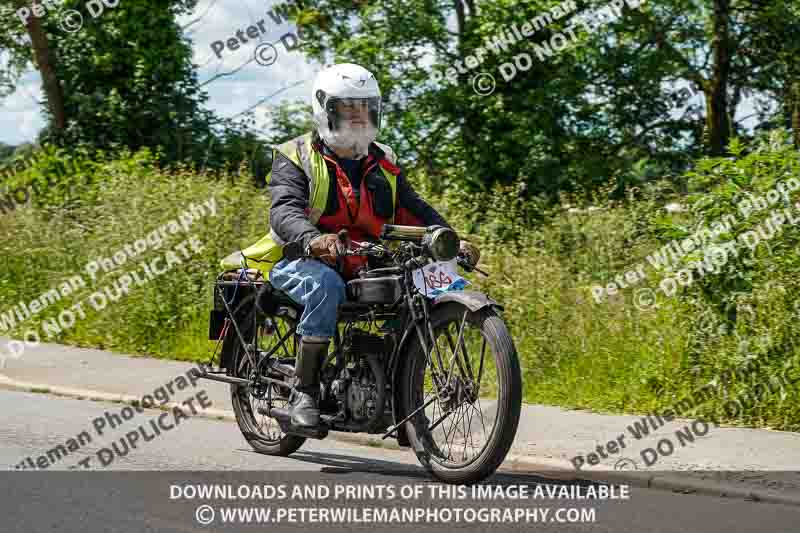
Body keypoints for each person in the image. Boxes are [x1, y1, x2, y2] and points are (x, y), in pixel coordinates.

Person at [267, 63, 481, 429]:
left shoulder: (383, 159)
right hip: (300, 258)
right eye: (348, 108)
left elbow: (413, 208)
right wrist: (313, 239)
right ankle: (305, 393)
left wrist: (450, 238)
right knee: (326, 285)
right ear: (325, 109)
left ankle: (395, 392)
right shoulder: (296, 155)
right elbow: (284, 210)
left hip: (365, 261)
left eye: (365, 107)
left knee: (415, 286)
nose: (358, 116)